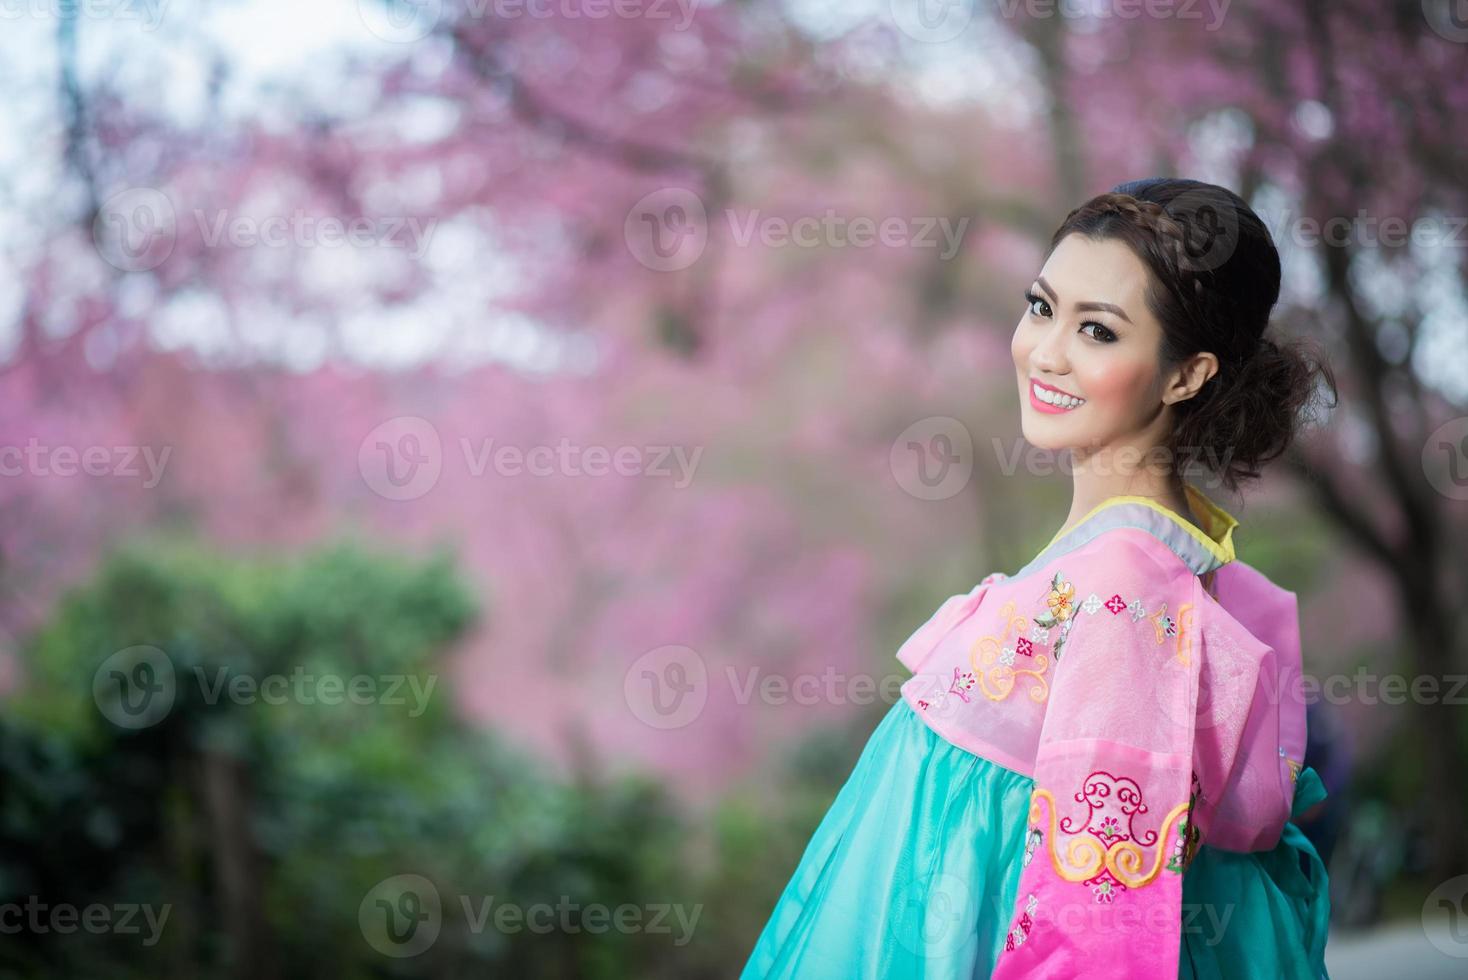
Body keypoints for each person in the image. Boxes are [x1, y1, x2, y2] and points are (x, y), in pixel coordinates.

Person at [739, 178, 1338, 979]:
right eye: (1042, 306)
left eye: (1097, 330)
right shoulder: (1136, 568)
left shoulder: (1124, 592)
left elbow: (1099, 919)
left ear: (1186, 375)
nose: (1045, 351)